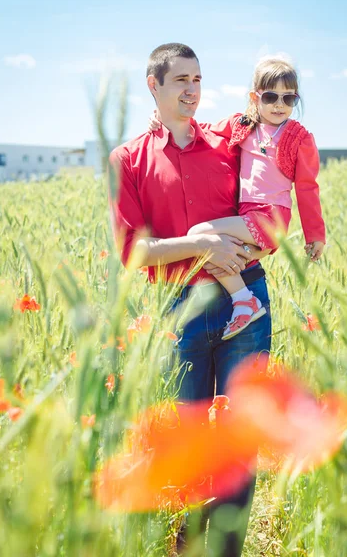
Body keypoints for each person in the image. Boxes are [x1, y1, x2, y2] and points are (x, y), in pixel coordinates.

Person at [109, 43, 272, 557]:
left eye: (197, 79)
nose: (191, 90)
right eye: (179, 79)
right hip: (179, 308)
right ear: (153, 86)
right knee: (185, 439)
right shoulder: (129, 160)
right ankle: (186, 545)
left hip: (243, 299)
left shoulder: (229, 145)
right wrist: (201, 242)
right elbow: (134, 251)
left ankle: (223, 549)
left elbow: (264, 216)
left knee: (239, 436)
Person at [150, 57, 326, 341]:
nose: (279, 105)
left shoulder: (299, 138)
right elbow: (201, 130)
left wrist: (315, 235)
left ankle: (244, 299)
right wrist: (164, 121)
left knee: (199, 235)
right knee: (211, 251)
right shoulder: (242, 125)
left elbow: (307, 188)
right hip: (246, 216)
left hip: (271, 216)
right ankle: (243, 303)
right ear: (255, 97)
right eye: (270, 97)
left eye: (288, 98)